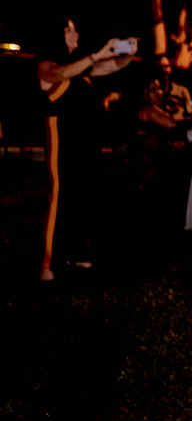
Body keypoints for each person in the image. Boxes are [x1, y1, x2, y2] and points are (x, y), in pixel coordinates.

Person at [37, 19, 137, 280]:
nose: (74, 33)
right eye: (67, 29)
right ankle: (48, 263)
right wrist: (96, 55)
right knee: (60, 196)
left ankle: (78, 252)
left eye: (74, 29)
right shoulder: (47, 66)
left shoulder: (82, 70)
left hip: (87, 142)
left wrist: (128, 53)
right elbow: (60, 74)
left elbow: (114, 65)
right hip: (63, 143)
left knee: (84, 196)